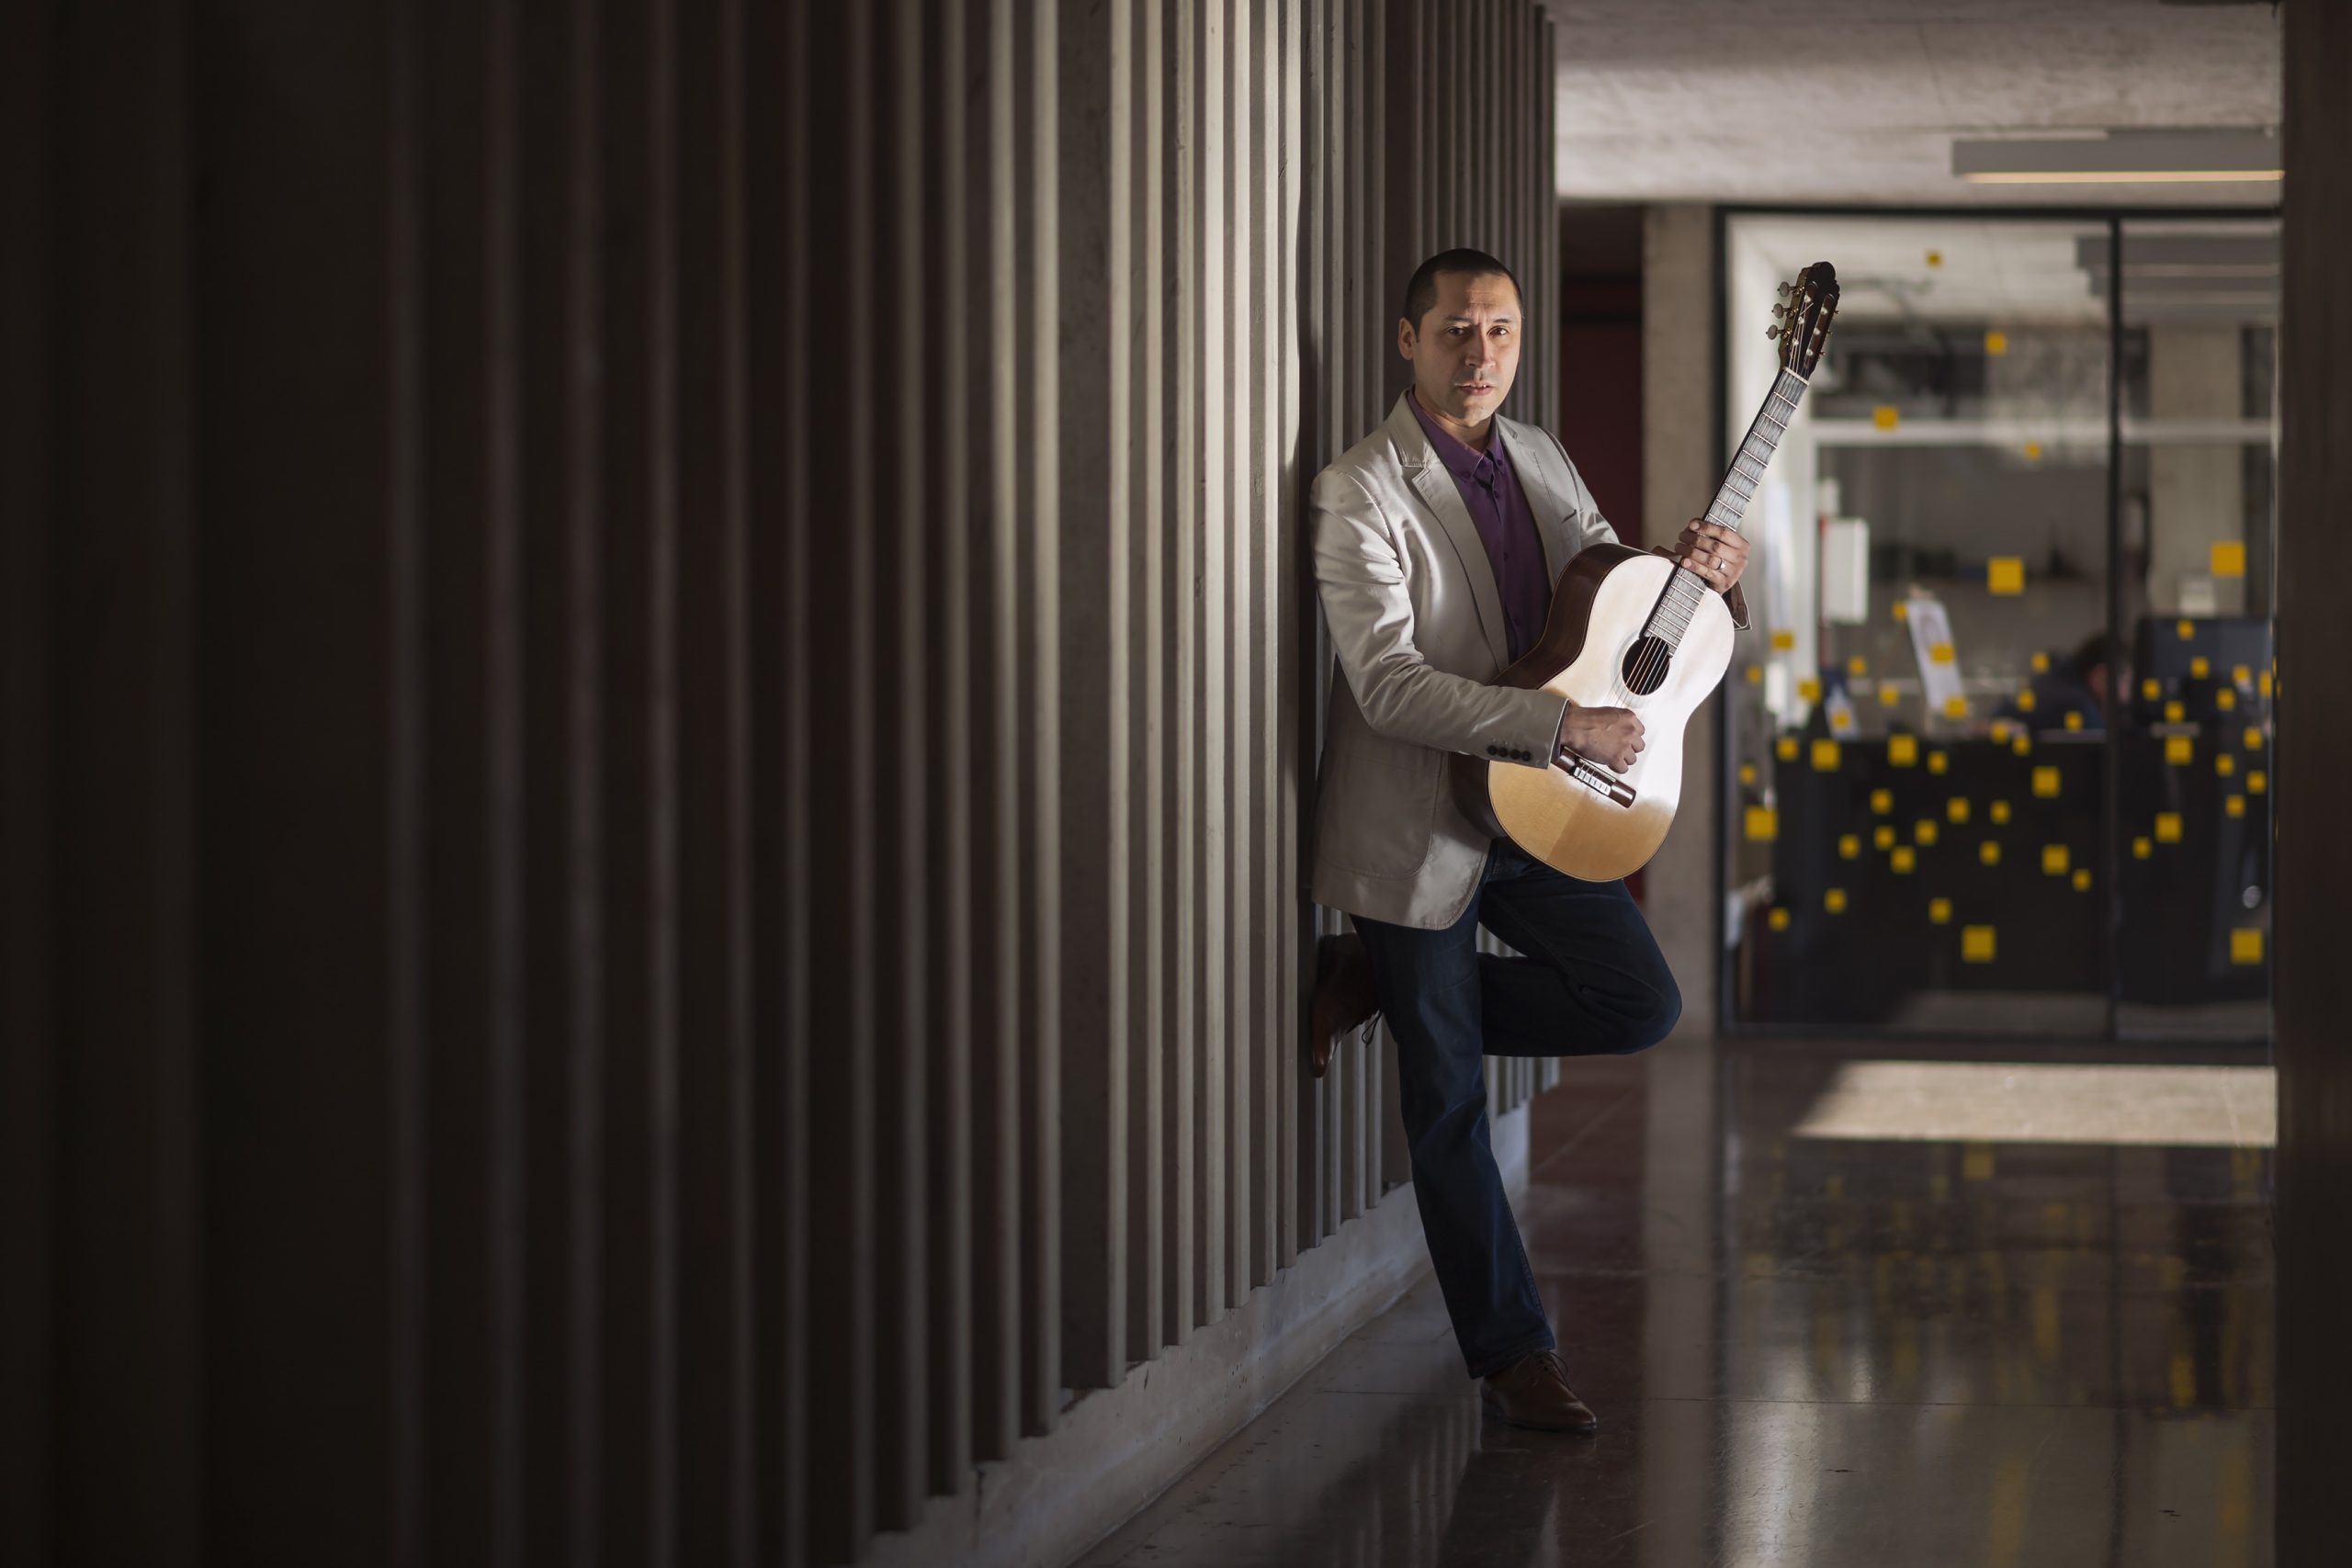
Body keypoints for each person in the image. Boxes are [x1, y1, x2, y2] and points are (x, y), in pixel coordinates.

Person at [1304, 248, 1750, 1434]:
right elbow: (1389, 687)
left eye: (1498, 330)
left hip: (1539, 812)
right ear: (1407, 341)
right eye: (1455, 330)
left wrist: (1701, 583)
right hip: (1417, 819)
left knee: (1637, 1003)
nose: (1480, 353)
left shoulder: (1542, 455)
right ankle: (1513, 1356)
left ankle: (1376, 986)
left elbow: (1607, 594)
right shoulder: (1360, 488)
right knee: (1448, 1103)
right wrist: (1557, 721)